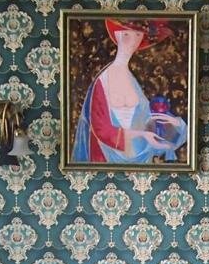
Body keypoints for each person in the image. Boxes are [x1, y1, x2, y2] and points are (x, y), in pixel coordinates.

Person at [72, 18, 187, 164]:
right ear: (117, 35)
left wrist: (175, 123)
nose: (132, 41)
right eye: (126, 34)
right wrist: (142, 135)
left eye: (138, 35)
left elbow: (146, 121)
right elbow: (100, 129)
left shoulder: (132, 81)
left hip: (139, 155)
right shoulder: (103, 81)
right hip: (107, 157)